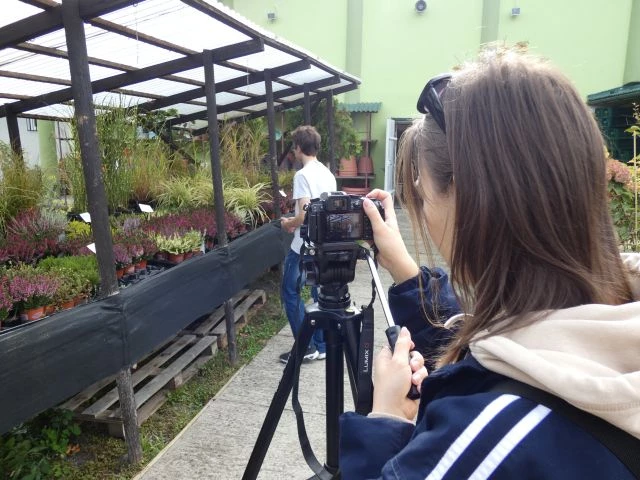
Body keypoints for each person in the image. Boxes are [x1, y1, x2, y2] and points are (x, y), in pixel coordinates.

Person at [339, 48, 640, 479]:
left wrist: (385, 421)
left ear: (470, 200)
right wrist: (407, 273)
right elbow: (519, 346)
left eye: (422, 195)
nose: (424, 215)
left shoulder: (490, 441)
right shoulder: (615, 324)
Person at [279, 125, 337, 363]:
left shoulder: (302, 175)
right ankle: (321, 344)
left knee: (289, 291)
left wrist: (287, 223)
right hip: (323, 244)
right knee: (317, 292)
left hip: (302, 246)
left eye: (294, 146)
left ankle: (306, 346)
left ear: (299, 148)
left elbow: (304, 214)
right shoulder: (328, 174)